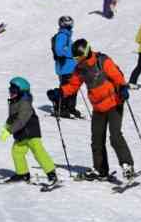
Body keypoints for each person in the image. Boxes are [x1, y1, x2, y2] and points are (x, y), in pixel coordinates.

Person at [47, 39, 135, 181]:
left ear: (86, 53)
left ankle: (127, 165)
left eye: (79, 58)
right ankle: (100, 170)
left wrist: (123, 88)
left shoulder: (102, 61)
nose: (77, 61)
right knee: (97, 139)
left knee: (115, 136)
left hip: (114, 103)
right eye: (76, 59)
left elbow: (118, 76)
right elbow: (73, 85)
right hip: (98, 107)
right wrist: (60, 92)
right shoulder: (80, 69)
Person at [0, 77, 58, 187]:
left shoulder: (25, 103)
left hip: (31, 132)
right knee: (17, 152)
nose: (11, 93)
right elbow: (12, 118)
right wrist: (6, 127)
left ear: (21, 92)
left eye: (13, 91)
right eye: (10, 90)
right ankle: (23, 173)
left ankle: (51, 174)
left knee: (38, 152)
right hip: (21, 134)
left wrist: (10, 131)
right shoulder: (14, 101)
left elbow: (22, 119)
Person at [48, 15, 82, 119]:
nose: (70, 26)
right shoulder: (62, 35)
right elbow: (59, 50)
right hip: (65, 67)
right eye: (68, 24)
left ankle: (70, 107)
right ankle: (62, 108)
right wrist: (72, 53)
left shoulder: (66, 36)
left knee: (72, 88)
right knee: (67, 87)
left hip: (69, 67)